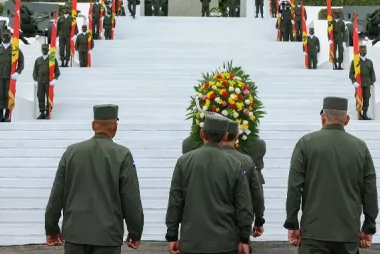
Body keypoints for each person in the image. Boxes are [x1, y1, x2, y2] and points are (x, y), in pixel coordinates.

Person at [45, 104, 144, 252]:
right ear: (115, 128)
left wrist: (51, 228)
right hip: (108, 237)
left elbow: (57, 194)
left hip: (75, 235)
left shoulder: (71, 152)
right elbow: (131, 199)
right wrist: (135, 232)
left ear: (93, 125)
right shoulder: (123, 155)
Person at [285, 97, 378, 253]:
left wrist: (292, 222)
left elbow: (294, 186)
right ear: (347, 120)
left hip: (314, 232)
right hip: (348, 233)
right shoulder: (360, 148)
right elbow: (369, 190)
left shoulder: (306, 143)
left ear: (323, 117)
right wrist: (369, 226)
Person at [165, 113, 252, 254]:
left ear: (202, 133)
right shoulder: (235, 165)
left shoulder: (184, 162)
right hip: (225, 244)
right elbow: (244, 206)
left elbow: (175, 202)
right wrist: (244, 239)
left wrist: (172, 236)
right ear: (225, 136)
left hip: (192, 243)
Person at [224, 120, 265, 240]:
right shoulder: (247, 160)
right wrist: (259, 219)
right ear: (237, 135)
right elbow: (257, 193)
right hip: (239, 223)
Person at [0, 28, 24, 122]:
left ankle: (7, 115)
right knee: (0, 95)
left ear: (10, 37)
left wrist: (17, 72)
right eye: (3, 36)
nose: (5, 37)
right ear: (1, 37)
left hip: (10, 76)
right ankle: (0, 115)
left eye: (7, 36)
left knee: (8, 95)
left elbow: (21, 62)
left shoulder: (15, 49)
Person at [348, 44, 377, 120]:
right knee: (359, 98)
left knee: (366, 98)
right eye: (362, 50)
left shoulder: (369, 62)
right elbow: (351, 73)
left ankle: (365, 114)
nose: (363, 52)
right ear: (359, 51)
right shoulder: (355, 61)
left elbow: (372, 73)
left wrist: (372, 82)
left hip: (367, 83)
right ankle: (359, 114)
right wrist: (354, 81)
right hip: (359, 83)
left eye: (364, 50)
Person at [33, 43, 60, 119]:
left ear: (48, 50)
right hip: (40, 82)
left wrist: (54, 79)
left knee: (49, 97)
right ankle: (42, 112)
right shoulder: (38, 60)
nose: (44, 51)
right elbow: (35, 71)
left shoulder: (52, 59)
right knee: (40, 97)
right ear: (41, 50)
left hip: (48, 82)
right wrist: (35, 80)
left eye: (46, 49)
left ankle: (48, 112)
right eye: (43, 49)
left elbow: (57, 71)